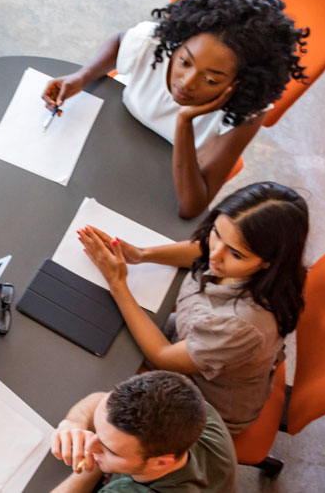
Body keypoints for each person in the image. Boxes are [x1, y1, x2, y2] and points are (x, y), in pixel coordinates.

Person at [42, 0, 309, 218]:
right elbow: (120, 41)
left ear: (239, 83)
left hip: (155, 181)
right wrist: (82, 77)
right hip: (106, 144)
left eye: (211, 79)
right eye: (185, 62)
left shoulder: (243, 115)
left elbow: (192, 207)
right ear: (178, 43)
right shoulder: (153, 43)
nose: (188, 82)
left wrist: (185, 123)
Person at [78, 181, 308, 433]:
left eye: (235, 253)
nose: (215, 255)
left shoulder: (241, 325)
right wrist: (142, 254)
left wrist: (118, 284)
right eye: (217, 233)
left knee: (90, 392)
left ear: (269, 262)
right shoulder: (232, 257)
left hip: (203, 405)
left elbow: (164, 358)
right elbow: (202, 250)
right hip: (188, 342)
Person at [49, 371, 236, 493]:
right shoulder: (196, 413)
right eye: (97, 430)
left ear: (161, 462)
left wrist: (92, 465)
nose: (90, 445)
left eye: (110, 449)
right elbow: (99, 400)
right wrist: (73, 423)